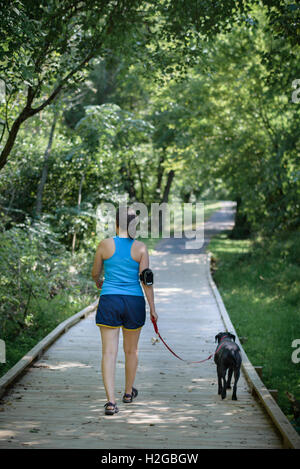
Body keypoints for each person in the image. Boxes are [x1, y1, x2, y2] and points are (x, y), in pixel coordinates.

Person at [91, 206, 158, 415]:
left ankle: (111, 402)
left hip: (110, 300)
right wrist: (153, 309)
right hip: (134, 302)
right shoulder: (140, 248)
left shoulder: (104, 245)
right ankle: (128, 393)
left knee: (109, 352)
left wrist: (99, 281)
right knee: (132, 350)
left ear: (116, 223)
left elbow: (95, 273)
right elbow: (146, 281)